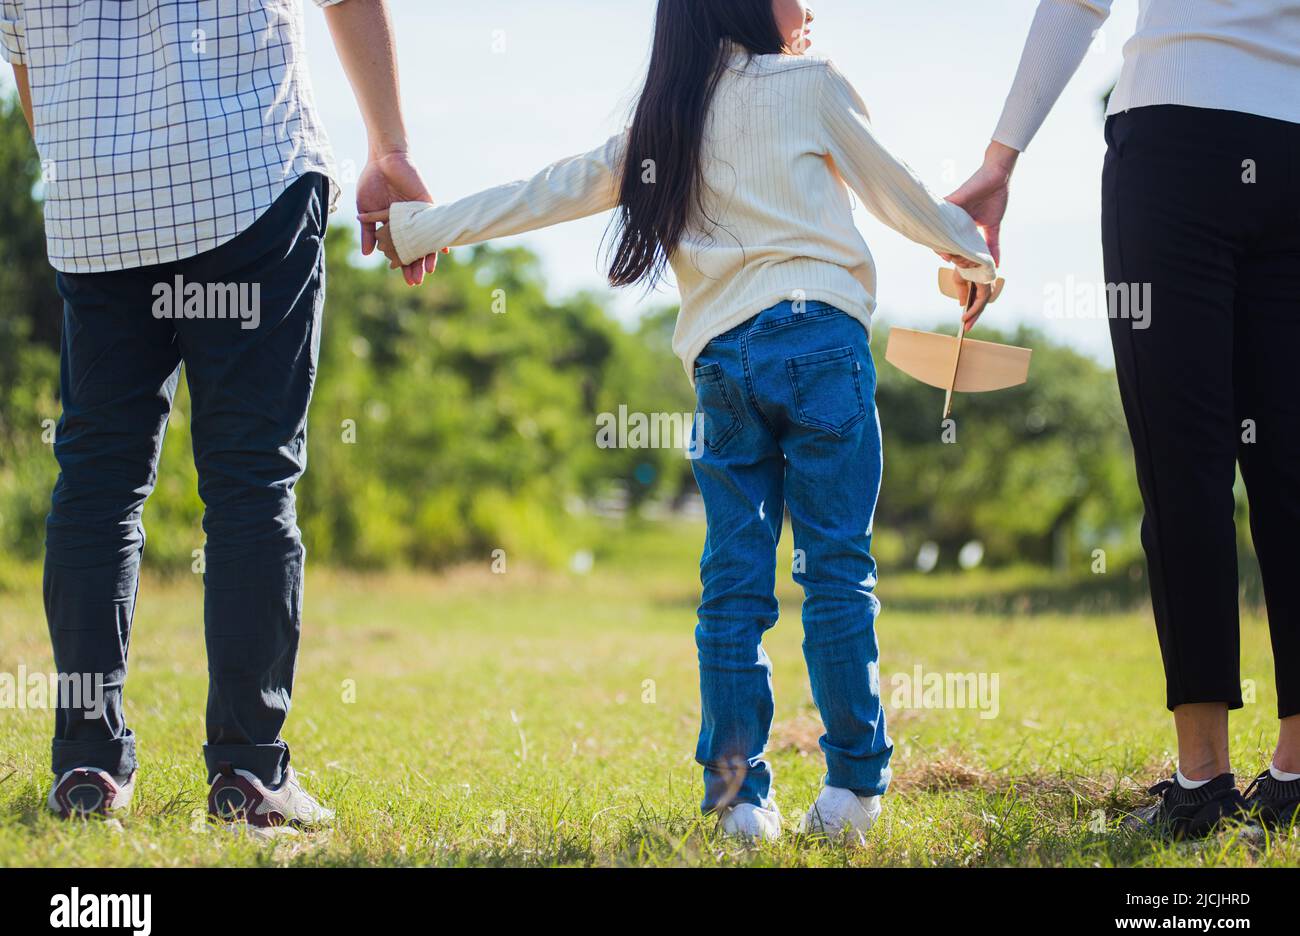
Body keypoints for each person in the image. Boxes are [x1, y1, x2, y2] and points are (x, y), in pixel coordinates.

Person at [364, 0, 996, 844]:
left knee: (734, 585)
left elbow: (545, 191)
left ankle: (740, 803)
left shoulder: (666, 120)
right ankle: (852, 792)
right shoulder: (811, 85)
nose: (811, 6)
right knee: (836, 569)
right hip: (820, 343)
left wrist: (417, 228)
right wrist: (972, 252)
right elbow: (903, 196)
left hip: (725, 364)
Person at [0, 0, 435, 827]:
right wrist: (391, 149)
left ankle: (86, 764)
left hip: (98, 212)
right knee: (250, 482)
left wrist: (98, 161)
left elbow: (26, 67)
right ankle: (248, 773)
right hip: (248, 181)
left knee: (95, 482)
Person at [949, 0, 1300, 837]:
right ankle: (1294, 767)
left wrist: (1001, 159)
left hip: (1174, 144)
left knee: (1184, 466)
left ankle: (1202, 779)